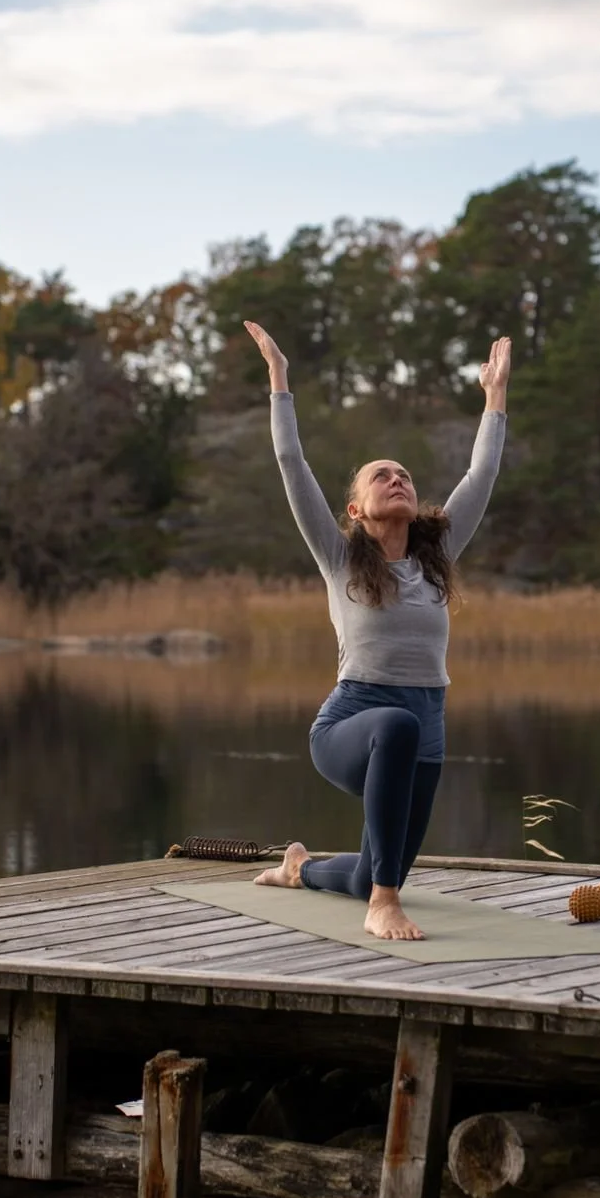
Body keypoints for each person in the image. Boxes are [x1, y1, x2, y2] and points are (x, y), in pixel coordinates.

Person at [244, 319, 511, 940]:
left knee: (371, 871)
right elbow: (290, 460)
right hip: (352, 723)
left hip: (427, 731)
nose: (398, 479)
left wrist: (494, 397)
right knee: (396, 727)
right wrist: (279, 378)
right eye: (381, 476)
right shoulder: (339, 560)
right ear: (356, 510)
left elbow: (482, 475)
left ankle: (302, 870)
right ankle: (383, 905)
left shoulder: (433, 564)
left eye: (405, 476)